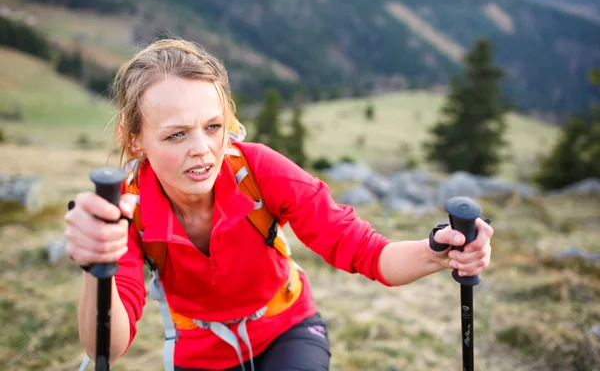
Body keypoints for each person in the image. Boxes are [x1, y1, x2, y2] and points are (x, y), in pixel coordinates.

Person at [64, 38, 494, 371]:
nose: (203, 150)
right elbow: (107, 346)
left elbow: (366, 251)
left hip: (288, 328)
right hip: (200, 352)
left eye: (213, 127)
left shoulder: (259, 173)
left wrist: (438, 250)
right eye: (177, 134)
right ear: (133, 137)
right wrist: (95, 265)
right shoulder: (124, 214)